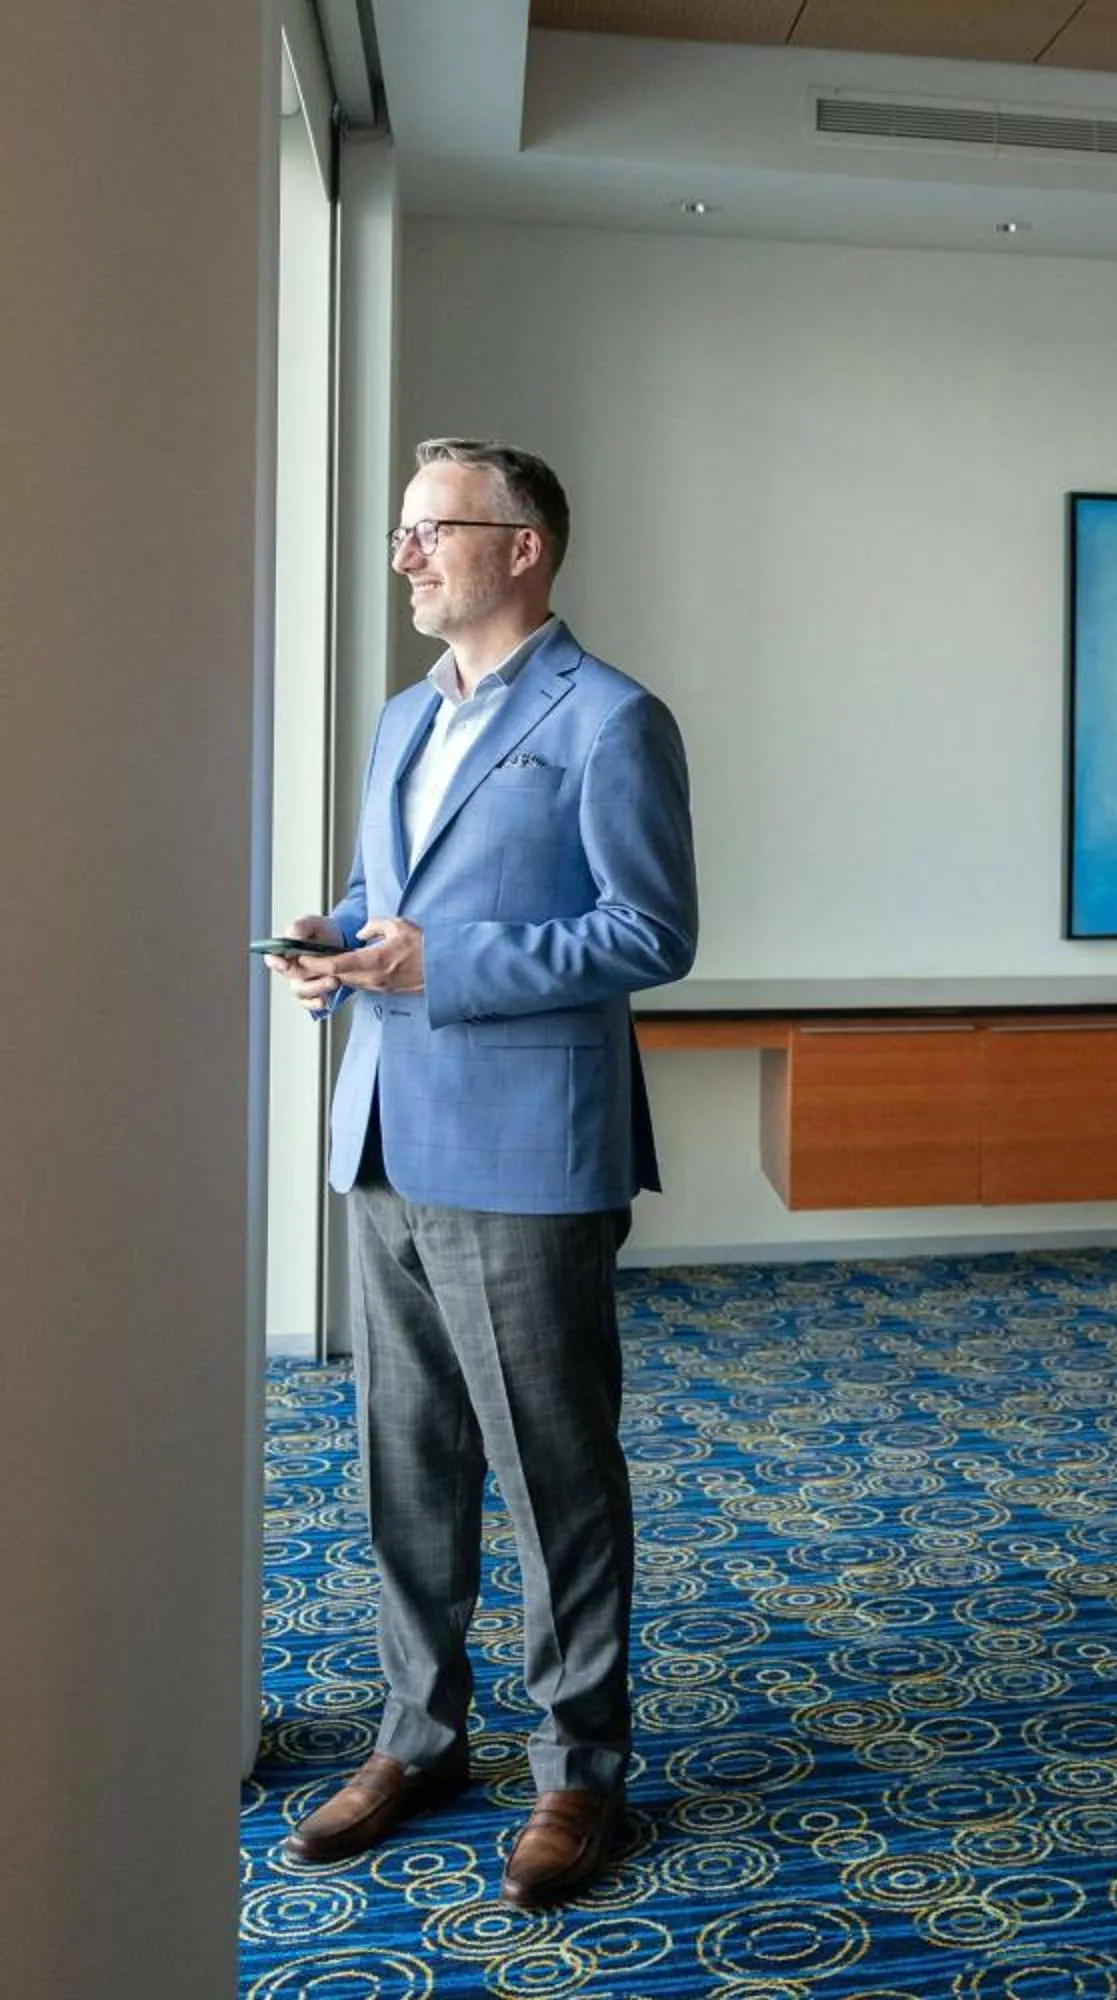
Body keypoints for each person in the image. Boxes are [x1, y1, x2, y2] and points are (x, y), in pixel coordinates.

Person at [265, 439, 698, 1909]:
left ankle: (580, 1767)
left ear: (522, 546)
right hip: (386, 1129)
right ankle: (420, 1735)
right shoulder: (405, 715)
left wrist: (442, 963)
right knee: (408, 1462)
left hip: (526, 1149)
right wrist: (328, 942)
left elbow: (650, 931)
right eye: (401, 531)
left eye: (430, 530)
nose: (404, 554)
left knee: (552, 1471)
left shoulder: (612, 719)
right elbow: (382, 897)